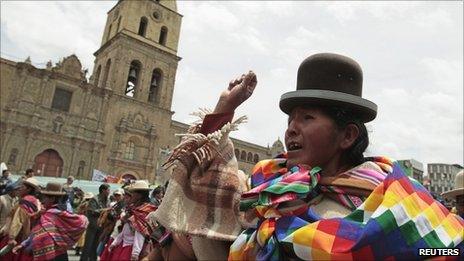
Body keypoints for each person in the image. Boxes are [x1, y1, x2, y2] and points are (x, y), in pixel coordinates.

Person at [154, 53, 464, 260]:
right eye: (290, 120)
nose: (291, 129)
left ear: (347, 136)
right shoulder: (265, 188)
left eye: (307, 118)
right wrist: (224, 110)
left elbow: (444, 247)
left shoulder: (393, 197)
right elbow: (207, 196)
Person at [11, 182, 88, 261]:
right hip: (60, 254)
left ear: (52, 199)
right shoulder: (57, 213)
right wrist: (24, 244)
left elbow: (38, 234)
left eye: (45, 198)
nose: (43, 201)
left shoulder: (52, 215)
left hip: (52, 255)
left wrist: (24, 244)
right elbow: (83, 221)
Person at [101, 180, 156, 261]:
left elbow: (140, 233)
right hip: (124, 245)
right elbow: (125, 229)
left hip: (134, 249)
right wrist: (115, 242)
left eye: (133, 193)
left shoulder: (143, 211)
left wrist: (135, 253)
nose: (132, 195)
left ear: (140, 195)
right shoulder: (133, 209)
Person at [0, 177, 41, 260]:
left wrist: (12, 238)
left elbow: (17, 221)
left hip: (18, 237)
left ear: (29, 189)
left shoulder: (23, 203)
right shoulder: (37, 202)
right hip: (28, 238)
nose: (19, 189)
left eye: (22, 187)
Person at [80, 183, 110, 261]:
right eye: (108, 190)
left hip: (102, 226)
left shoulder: (108, 200)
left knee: (95, 246)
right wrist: (104, 210)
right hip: (93, 225)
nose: (109, 192)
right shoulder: (94, 199)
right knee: (88, 246)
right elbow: (92, 211)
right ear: (103, 190)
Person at [75, 192, 94, 256]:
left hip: (80, 220)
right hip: (84, 220)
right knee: (83, 236)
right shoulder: (87, 204)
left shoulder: (82, 203)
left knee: (81, 236)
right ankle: (80, 250)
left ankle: (78, 250)